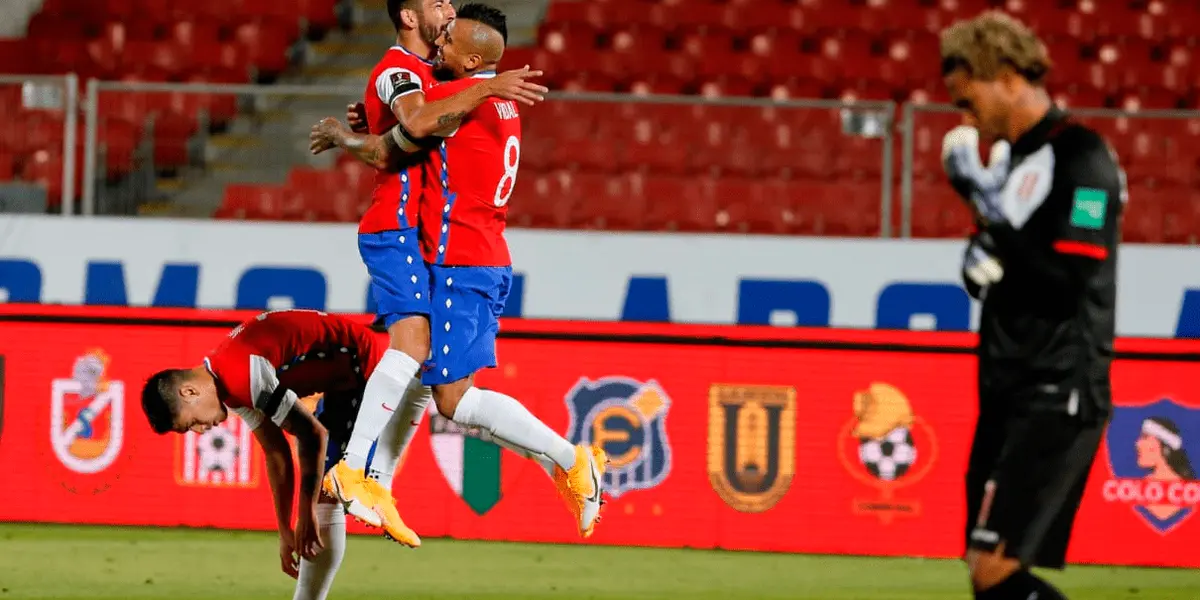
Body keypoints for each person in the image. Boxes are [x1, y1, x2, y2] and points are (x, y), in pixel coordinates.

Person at [310, 3, 608, 539]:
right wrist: (372, 115)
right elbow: (404, 118)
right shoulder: (490, 99)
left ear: (471, 60)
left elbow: (408, 128)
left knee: (455, 397)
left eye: (449, 41)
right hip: (483, 255)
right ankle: (377, 477)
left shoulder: (463, 97)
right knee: (431, 377)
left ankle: (567, 459)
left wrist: (347, 135)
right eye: (438, 23)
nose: (440, 40)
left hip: (461, 259)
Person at [939, 11, 1126, 600]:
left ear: (1009, 76)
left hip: (1059, 387)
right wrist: (982, 265)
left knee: (994, 568)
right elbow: (1012, 262)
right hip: (1009, 386)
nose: (965, 119)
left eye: (969, 101)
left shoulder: (1082, 159)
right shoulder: (1017, 162)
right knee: (985, 570)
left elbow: (1074, 272)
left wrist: (990, 220)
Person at [140, 309, 401, 600]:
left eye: (192, 424)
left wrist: (304, 516)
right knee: (321, 494)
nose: (201, 431)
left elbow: (313, 434)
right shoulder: (228, 386)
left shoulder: (242, 375)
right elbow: (276, 452)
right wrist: (284, 529)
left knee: (324, 494)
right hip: (341, 373)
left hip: (359, 363)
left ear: (188, 392)